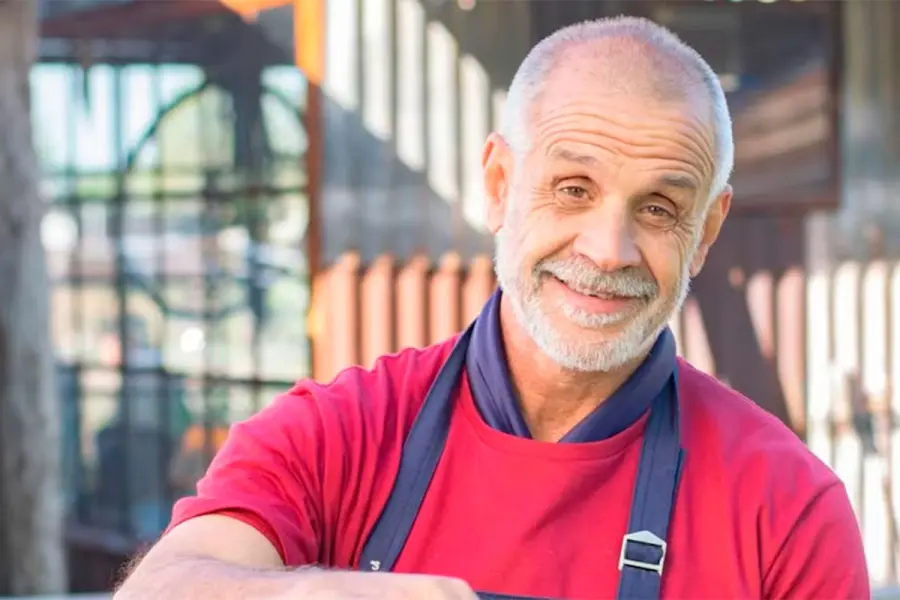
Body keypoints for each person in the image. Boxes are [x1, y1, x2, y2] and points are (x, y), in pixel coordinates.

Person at [115, 16, 869, 600]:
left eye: (659, 208)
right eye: (572, 189)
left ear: (704, 232)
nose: (609, 250)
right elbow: (163, 588)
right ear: (501, 184)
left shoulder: (788, 512)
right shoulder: (337, 434)